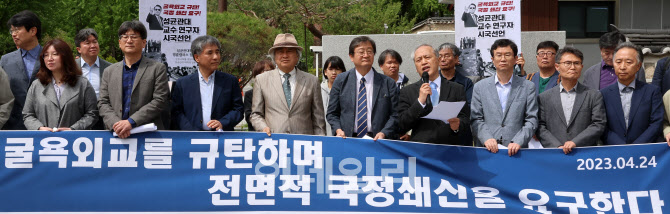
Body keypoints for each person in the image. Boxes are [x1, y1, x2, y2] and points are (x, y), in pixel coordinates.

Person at [98, 20, 169, 138]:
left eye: (134, 37)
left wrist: (131, 122)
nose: (129, 40)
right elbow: (103, 102)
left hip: (147, 134)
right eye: (125, 37)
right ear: (119, 43)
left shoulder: (157, 68)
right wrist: (117, 125)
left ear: (143, 43)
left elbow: (160, 100)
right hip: (116, 134)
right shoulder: (109, 71)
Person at [471, 39, 538, 156]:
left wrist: (519, 141)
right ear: (492, 60)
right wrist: (486, 138)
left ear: (515, 59)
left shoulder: (528, 86)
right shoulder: (479, 87)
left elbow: (532, 119)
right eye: (498, 55)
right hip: (486, 149)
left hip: (517, 150)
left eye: (507, 55)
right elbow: (476, 118)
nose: (503, 59)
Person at [250, 33, 326, 136]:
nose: (285, 55)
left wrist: (320, 143)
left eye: (289, 51)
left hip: (304, 144)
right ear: (274, 56)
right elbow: (256, 114)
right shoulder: (261, 80)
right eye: (280, 51)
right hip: (273, 141)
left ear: (297, 55)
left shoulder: (312, 81)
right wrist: (263, 127)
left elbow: (319, 120)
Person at [537, 47, 606, 154]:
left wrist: (575, 142)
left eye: (577, 63)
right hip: (555, 154)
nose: (573, 67)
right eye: (568, 63)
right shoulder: (544, 97)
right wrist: (556, 146)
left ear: (581, 67)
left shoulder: (594, 95)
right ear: (557, 66)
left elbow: (598, 124)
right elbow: (540, 127)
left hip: (584, 154)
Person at [327, 36, 398, 140]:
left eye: (370, 51)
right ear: (351, 56)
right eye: (361, 52)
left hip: (378, 140)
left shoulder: (388, 83)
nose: (366, 55)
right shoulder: (341, 81)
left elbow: (395, 114)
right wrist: (338, 129)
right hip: (348, 139)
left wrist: (384, 132)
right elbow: (332, 113)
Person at [397, 44, 469, 145]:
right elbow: (401, 125)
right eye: (419, 60)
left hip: (450, 150)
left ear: (438, 60)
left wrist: (457, 126)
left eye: (427, 57)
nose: (424, 62)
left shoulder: (457, 89)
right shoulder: (407, 91)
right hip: (421, 152)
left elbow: (466, 121)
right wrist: (419, 102)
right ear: (416, 67)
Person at [22, 39, 98, 131]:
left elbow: (92, 114)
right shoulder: (36, 85)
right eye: (46, 55)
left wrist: (73, 129)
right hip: (43, 140)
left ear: (65, 56)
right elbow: (28, 115)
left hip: (75, 140)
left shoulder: (82, 84)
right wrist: (39, 128)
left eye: (55, 54)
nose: (50, 58)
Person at [171, 35, 243, 131]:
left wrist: (223, 122)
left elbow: (238, 110)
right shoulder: (183, 84)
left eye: (217, 52)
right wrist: (190, 131)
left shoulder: (230, 81)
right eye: (210, 53)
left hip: (221, 139)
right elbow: (176, 112)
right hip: (191, 140)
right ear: (197, 58)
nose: (216, 57)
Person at [601, 42, 663, 145]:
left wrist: (636, 146)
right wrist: (621, 146)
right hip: (614, 151)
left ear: (638, 66)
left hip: (644, 151)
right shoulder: (603, 94)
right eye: (618, 62)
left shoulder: (652, 92)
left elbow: (656, 123)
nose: (622, 67)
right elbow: (602, 125)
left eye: (628, 62)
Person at [0, 10, 42, 130]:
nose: (14, 34)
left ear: (33, 31)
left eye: (17, 29)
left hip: (44, 127)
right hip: (12, 127)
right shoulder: (5, 60)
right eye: (12, 30)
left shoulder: (50, 58)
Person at [74, 28, 112, 98]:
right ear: (79, 49)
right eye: (87, 43)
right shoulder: (71, 68)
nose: (93, 46)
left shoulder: (110, 68)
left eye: (95, 42)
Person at [244, 59, 274, 132]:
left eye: (269, 71)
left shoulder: (279, 91)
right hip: (257, 133)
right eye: (263, 71)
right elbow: (249, 115)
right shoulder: (249, 94)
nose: (266, 74)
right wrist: (262, 126)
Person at [321, 56, 346, 136]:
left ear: (343, 72)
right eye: (330, 69)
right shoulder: (318, 90)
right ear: (325, 72)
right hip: (322, 134)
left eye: (338, 69)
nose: (334, 72)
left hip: (342, 134)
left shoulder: (347, 91)